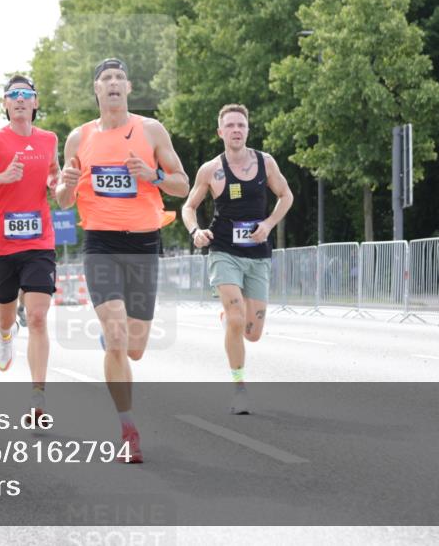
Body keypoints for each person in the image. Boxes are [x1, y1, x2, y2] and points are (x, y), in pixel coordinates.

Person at [56, 57, 189, 463]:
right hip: (101, 244)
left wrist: (152, 175)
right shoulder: (78, 138)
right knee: (116, 338)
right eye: (105, 78)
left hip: (144, 244)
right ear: (96, 90)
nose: (113, 83)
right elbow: (63, 200)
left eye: (119, 78)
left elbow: (182, 185)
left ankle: (114, 340)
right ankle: (128, 430)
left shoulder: (151, 130)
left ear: (128, 88)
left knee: (135, 348)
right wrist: (66, 185)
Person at [181, 103, 294, 414]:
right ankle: (239, 388)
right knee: (235, 318)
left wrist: (268, 224)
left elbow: (286, 195)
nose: (236, 130)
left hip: (257, 253)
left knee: (252, 333)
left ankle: (231, 320)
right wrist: (195, 231)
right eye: (230, 126)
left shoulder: (265, 162)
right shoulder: (210, 170)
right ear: (220, 132)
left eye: (241, 125)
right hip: (224, 252)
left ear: (248, 130)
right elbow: (188, 207)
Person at [0, 74, 59, 420]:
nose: (19, 99)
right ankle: (5, 335)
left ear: (35, 102)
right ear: (5, 104)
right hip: (2, 245)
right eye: (13, 94)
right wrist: (0, 178)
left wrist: (56, 183)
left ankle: (38, 398)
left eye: (26, 94)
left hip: (39, 241)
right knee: (5, 315)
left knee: (37, 317)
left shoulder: (49, 139)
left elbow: (54, 172)